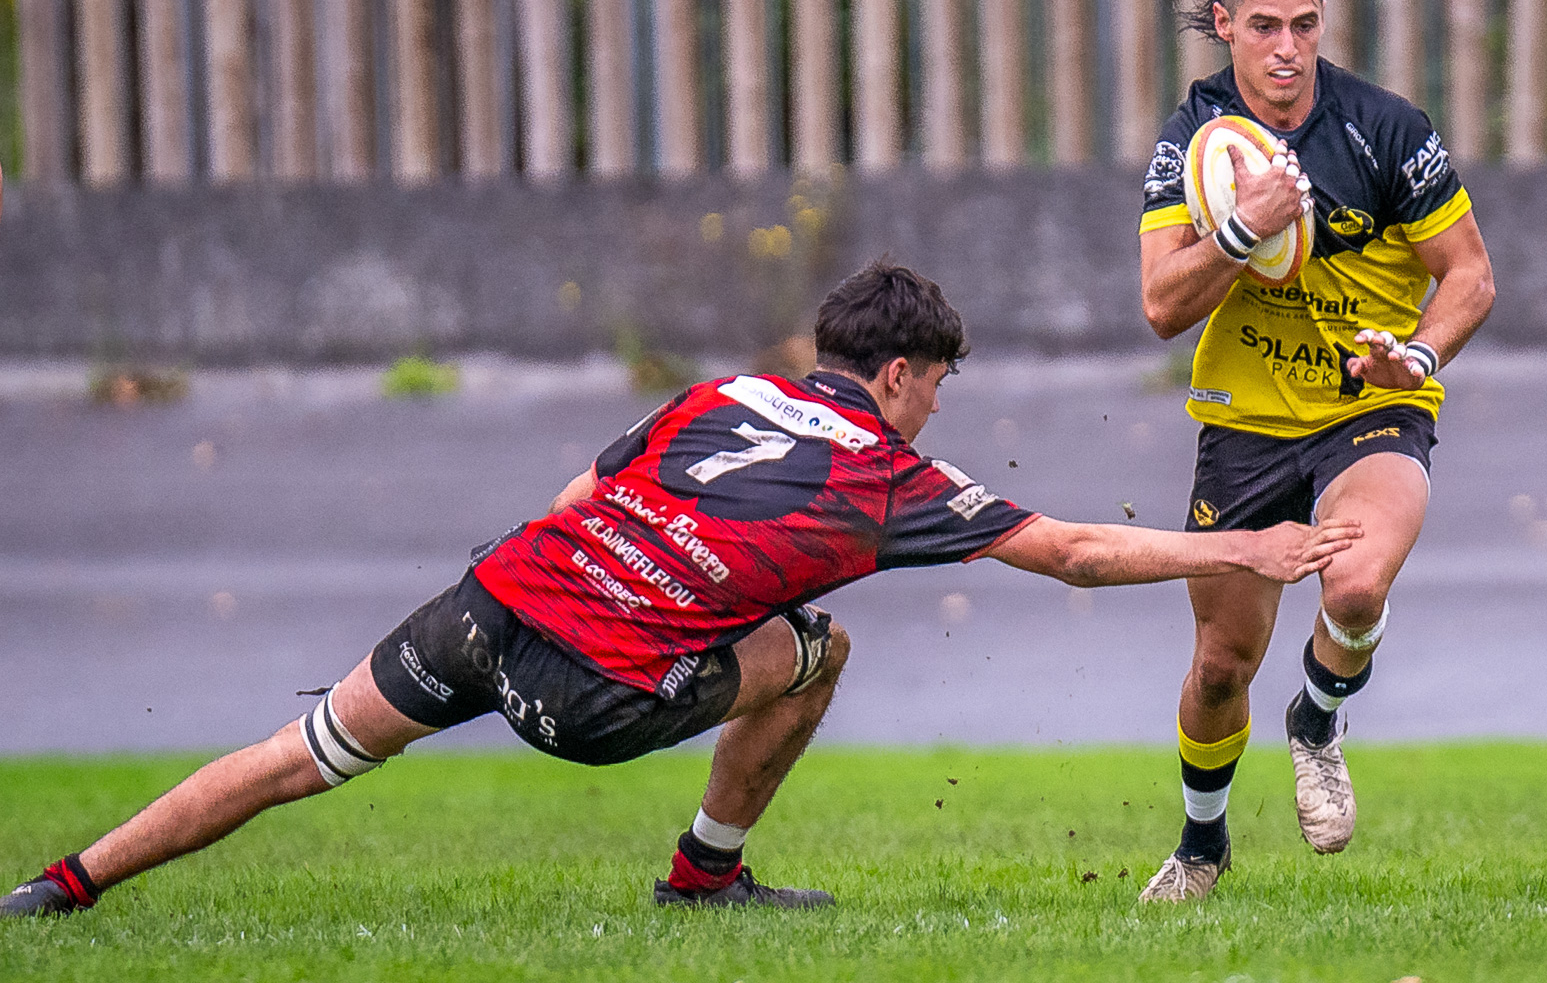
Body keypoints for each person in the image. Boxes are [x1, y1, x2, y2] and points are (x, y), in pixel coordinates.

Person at [3, 261, 1359, 918]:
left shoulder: (725, 395)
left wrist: (583, 579)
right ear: (896, 377)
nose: (941, 402)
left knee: (301, 756)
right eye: (940, 381)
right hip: (593, 690)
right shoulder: (886, 472)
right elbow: (1071, 549)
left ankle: (68, 884)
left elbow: (575, 504)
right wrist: (1243, 550)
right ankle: (702, 880)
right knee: (818, 652)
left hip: (494, 603)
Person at [1134, 0, 1496, 903]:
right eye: (1263, 26)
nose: (1288, 47)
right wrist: (1246, 228)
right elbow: (1164, 305)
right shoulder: (1197, 140)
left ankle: (1319, 716)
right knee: (1219, 667)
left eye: (1304, 24)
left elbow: (1470, 276)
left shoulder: (1385, 130)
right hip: (1245, 423)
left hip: (1367, 403)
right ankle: (1202, 849)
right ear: (1223, 25)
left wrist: (1415, 354)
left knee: (1358, 584)